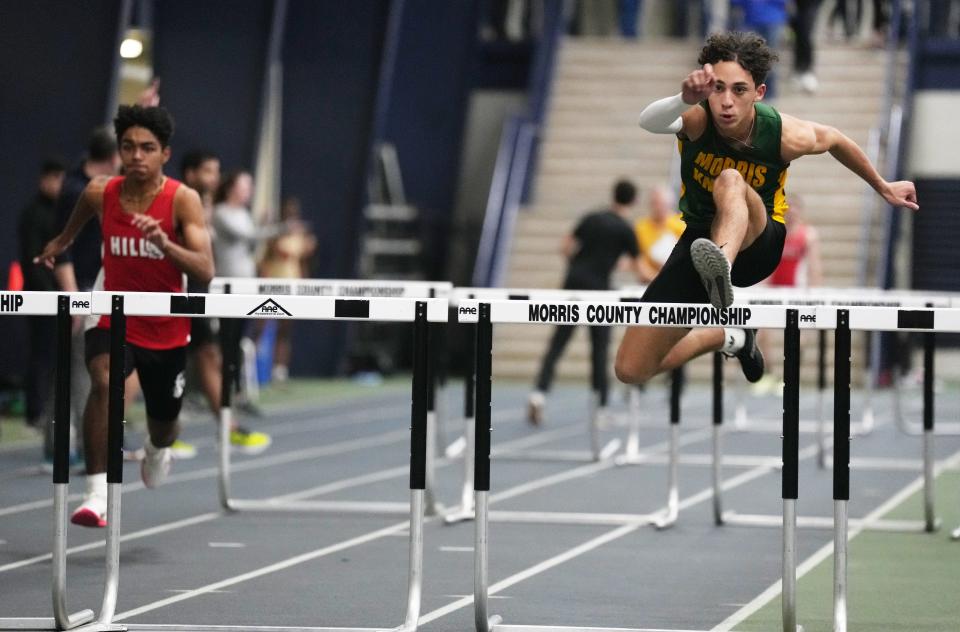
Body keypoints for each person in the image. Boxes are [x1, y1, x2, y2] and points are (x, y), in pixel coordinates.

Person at [614, 31, 918, 389]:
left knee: (730, 180)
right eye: (718, 89)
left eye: (739, 90)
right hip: (700, 241)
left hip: (759, 242)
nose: (726, 102)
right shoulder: (698, 120)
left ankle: (720, 271)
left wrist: (882, 185)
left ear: (758, 93)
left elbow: (835, 139)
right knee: (631, 369)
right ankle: (729, 336)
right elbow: (648, 121)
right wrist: (683, 99)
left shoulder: (784, 134)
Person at [36, 105, 215, 527]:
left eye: (147, 149)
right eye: (129, 147)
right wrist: (61, 241)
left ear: (164, 155)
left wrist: (164, 244)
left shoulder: (182, 200)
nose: (137, 156)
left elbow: (205, 269)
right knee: (103, 381)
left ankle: (157, 449)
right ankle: (96, 493)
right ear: (119, 151)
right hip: (114, 310)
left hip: (165, 325)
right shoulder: (102, 191)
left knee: (163, 426)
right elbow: (79, 209)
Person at [527, 179, 645, 425]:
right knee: (599, 349)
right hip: (598, 291)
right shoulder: (625, 229)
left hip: (573, 283)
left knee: (558, 341)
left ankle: (539, 395)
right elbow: (641, 271)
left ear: (613, 195)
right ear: (633, 201)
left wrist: (578, 265)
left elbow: (566, 245)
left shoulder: (592, 218)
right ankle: (600, 409)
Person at [179, 151, 271, 453]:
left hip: (199, 292)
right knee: (155, 366)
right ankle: (157, 434)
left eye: (217, 172)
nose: (215, 178)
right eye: (208, 172)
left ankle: (227, 426)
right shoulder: (180, 201)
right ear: (191, 174)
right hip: (172, 294)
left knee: (208, 355)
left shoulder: (207, 207)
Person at [753, 194, 822, 393]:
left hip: (797, 292)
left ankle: (789, 377)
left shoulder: (808, 235)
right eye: (787, 209)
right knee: (763, 332)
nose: (791, 213)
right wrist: (761, 289)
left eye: (795, 209)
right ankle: (768, 374)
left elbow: (814, 267)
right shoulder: (776, 233)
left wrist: (814, 293)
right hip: (774, 291)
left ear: (800, 212)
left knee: (796, 337)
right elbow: (766, 264)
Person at [17, 159, 65, 434]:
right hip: (41, 298)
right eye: (56, 179)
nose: (59, 185)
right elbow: (33, 262)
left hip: (59, 298)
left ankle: (50, 413)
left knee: (57, 358)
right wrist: (50, 297)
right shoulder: (34, 215)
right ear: (44, 179)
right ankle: (35, 413)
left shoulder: (61, 214)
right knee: (42, 356)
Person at [259, 196, 316, 382]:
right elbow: (268, 255)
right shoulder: (274, 234)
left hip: (292, 284)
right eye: (288, 210)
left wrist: (304, 283)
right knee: (261, 325)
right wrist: (267, 226)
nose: (291, 214)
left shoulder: (301, 236)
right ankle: (255, 366)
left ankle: (279, 370)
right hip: (273, 284)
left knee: (285, 330)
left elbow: (304, 260)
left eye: (294, 211)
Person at [634, 186, 686, 283]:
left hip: (677, 280)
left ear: (670, 204)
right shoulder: (641, 227)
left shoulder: (682, 224)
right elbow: (638, 260)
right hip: (649, 282)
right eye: (655, 203)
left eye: (662, 204)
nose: (659, 208)